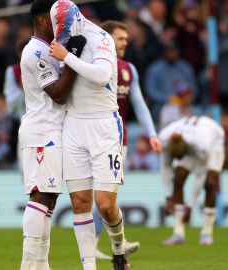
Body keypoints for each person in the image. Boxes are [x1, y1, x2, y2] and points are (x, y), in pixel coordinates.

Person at [49, 1, 146, 269]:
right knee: (80, 202)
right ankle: (88, 266)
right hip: (73, 125)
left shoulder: (101, 38)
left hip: (103, 125)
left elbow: (102, 75)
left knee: (104, 204)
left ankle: (118, 250)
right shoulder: (63, 38)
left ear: (77, 19)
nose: (62, 34)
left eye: (65, 28)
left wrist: (66, 57)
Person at [18, 1, 86, 269]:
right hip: (42, 130)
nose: (61, 23)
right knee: (41, 195)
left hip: (52, 131)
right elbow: (57, 94)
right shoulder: (35, 52)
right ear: (43, 20)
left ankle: (41, 265)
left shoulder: (48, 50)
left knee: (50, 199)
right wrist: (72, 59)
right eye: (55, 18)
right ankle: (26, 265)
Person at [87, 20, 160, 260]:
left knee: (107, 196)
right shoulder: (92, 64)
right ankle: (109, 241)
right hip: (88, 136)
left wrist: (151, 134)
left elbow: (138, 102)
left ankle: (101, 243)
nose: (125, 43)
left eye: (126, 39)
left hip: (118, 141)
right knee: (89, 196)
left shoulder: (129, 69)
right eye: (121, 38)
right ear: (106, 39)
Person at [159, 116, 225, 245]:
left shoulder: (202, 144)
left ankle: (207, 232)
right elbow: (165, 168)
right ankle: (178, 233)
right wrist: (168, 197)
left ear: (185, 150)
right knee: (178, 177)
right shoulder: (164, 140)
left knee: (210, 183)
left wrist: (190, 207)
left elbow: (201, 175)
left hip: (214, 142)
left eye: (180, 157)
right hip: (193, 138)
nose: (179, 159)